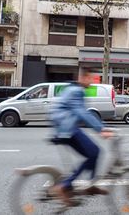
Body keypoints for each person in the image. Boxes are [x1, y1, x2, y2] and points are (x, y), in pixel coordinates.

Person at [49, 67, 113, 207]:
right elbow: (83, 113)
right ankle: (65, 186)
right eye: (90, 78)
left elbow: (82, 113)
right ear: (83, 78)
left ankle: (89, 184)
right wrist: (101, 129)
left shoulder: (73, 89)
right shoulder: (77, 91)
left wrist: (102, 126)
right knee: (94, 152)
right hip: (67, 129)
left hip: (65, 127)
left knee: (93, 153)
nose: (92, 81)